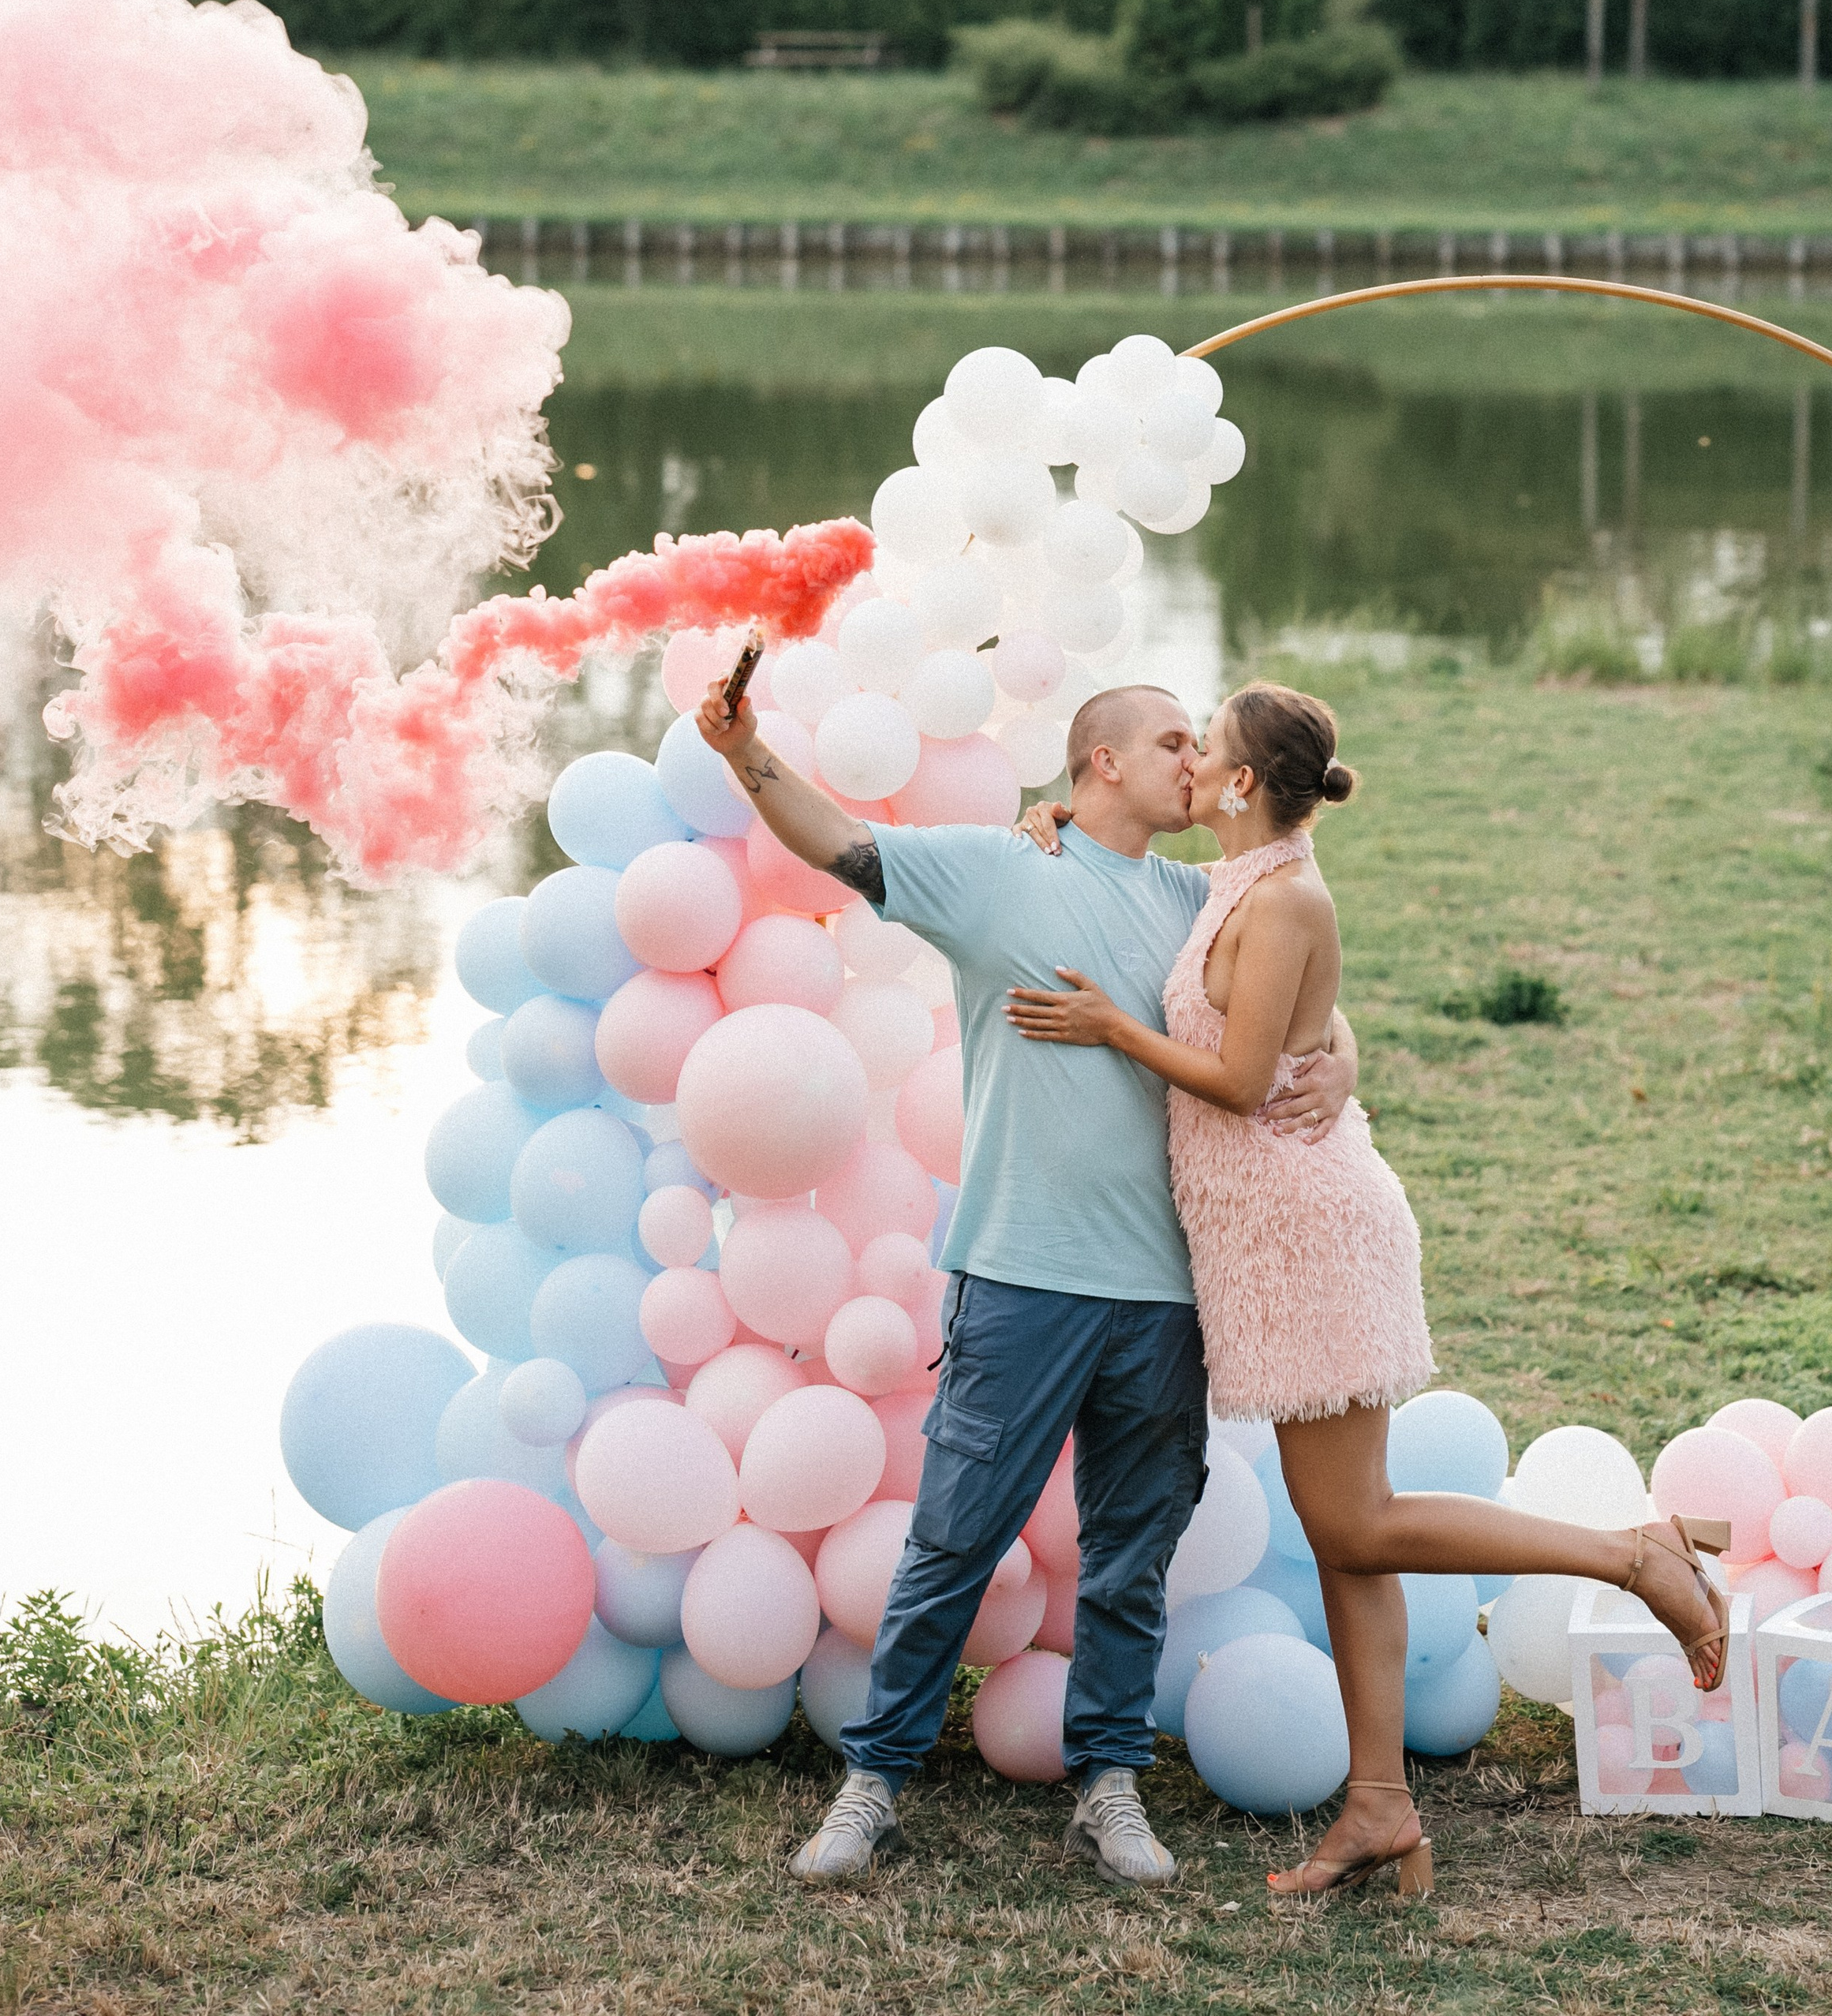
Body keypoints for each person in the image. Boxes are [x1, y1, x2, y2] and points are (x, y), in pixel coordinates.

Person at [1006, 679, 1731, 1903]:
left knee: (1353, 1524)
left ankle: (1634, 1556)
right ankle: (1382, 1806)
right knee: (1350, 1535)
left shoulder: (1286, 894)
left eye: (1204, 747)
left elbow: (1243, 1081)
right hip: (1265, 1238)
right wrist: (1056, 816)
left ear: (1242, 782)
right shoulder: (1236, 878)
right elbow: (1309, 1024)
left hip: (1309, 1235)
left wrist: (1110, 1029)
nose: (1186, 762)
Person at [694, 671, 1360, 1887]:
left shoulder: (1205, 899)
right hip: (1020, 1279)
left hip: (1167, 1293)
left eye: (1201, 745)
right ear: (1102, 762)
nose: (1196, 763)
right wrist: (745, 753)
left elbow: (1300, 987)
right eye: (1173, 741)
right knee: (956, 1541)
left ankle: (1109, 1785)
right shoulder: (1001, 871)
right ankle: (874, 1783)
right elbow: (841, 844)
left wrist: (1345, 1059)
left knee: (1131, 1554)